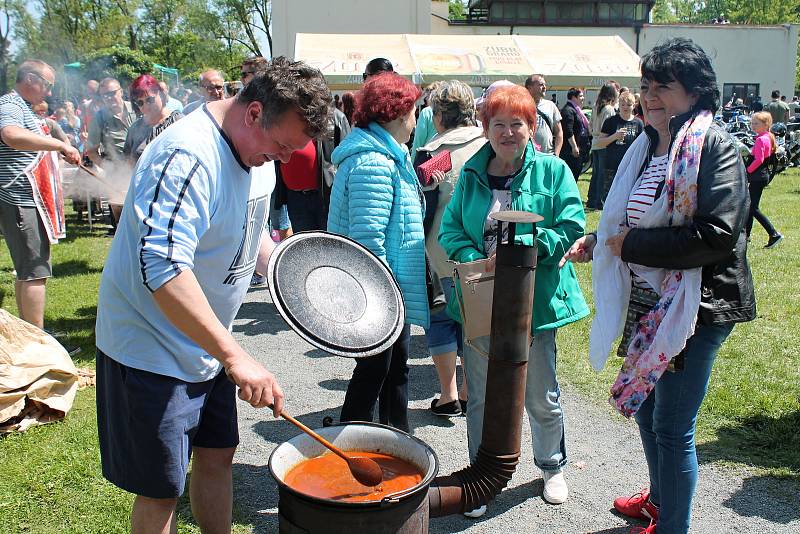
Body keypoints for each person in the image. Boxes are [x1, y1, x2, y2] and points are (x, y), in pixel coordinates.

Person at [94, 57, 331, 534]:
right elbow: (162, 268)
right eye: (283, 146)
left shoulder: (257, 153)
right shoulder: (187, 155)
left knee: (218, 453)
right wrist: (235, 355)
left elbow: (251, 228)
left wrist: (288, 272)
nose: (284, 160)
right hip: (150, 349)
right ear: (253, 112)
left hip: (207, 343)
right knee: (162, 490)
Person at [561, 38, 755, 534]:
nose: (649, 96)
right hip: (647, 303)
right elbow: (634, 220)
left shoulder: (717, 147)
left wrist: (630, 248)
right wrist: (598, 240)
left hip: (696, 308)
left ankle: (673, 525)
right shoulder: (646, 144)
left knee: (671, 426)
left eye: (662, 87)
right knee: (648, 413)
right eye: (645, 86)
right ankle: (660, 502)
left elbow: (717, 235)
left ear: (694, 91)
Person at [439, 84, 589, 517]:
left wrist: (529, 249)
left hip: (533, 304)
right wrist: (475, 258)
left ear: (531, 127)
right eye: (498, 124)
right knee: (482, 397)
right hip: (483, 304)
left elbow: (571, 224)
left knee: (541, 394)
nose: (507, 132)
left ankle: (551, 465)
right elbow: (451, 231)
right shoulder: (470, 173)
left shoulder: (554, 171)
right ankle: (481, 477)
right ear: (485, 128)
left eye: (516, 124)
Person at [327, 72, 427, 434]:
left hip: (386, 288)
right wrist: (386, 301)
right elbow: (368, 241)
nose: (416, 119)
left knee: (390, 368)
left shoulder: (385, 155)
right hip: (380, 291)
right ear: (398, 114)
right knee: (375, 370)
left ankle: (393, 441)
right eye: (414, 111)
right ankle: (349, 447)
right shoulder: (375, 163)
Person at [415, 80, 485, 417]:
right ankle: (471, 391)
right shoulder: (488, 144)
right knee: (475, 321)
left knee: (441, 318)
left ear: (439, 114)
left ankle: (448, 395)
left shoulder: (436, 153)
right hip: (484, 250)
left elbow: (423, 206)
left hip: (440, 251)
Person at [0, 60, 81, 332]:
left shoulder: (24, 109)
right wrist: (59, 144)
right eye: (47, 85)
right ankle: (39, 341)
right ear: (31, 79)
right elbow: (10, 135)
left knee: (29, 273)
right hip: (21, 199)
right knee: (36, 272)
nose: (48, 92)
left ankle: (30, 336)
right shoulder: (11, 105)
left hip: (25, 200)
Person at [124, 75, 183, 163]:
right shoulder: (135, 128)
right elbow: (127, 160)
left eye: (150, 100)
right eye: (140, 103)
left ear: (161, 95)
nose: (146, 106)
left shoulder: (178, 122)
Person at [597, 91, 644, 202]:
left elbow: (642, 145)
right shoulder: (611, 121)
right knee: (609, 197)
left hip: (631, 166)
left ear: (634, 105)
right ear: (619, 105)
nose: (625, 107)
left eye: (628, 105)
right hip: (612, 166)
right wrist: (614, 136)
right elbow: (599, 142)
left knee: (628, 197)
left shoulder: (638, 123)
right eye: (622, 104)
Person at [745, 111, 783, 248]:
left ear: (766, 124)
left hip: (757, 176)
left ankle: (774, 234)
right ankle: (746, 235)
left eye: (756, 123)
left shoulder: (761, 139)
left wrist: (747, 170)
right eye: (752, 123)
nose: (753, 126)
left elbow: (759, 159)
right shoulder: (768, 136)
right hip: (761, 176)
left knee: (753, 208)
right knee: (749, 207)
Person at [87, 77, 137, 166]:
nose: (109, 98)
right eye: (105, 95)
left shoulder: (137, 109)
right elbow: (92, 152)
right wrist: (109, 169)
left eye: (112, 93)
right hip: (119, 172)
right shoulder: (99, 118)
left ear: (121, 92)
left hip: (142, 167)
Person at [588, 82, 619, 209]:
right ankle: (599, 201)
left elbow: (589, 126)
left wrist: (595, 135)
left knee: (595, 173)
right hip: (604, 142)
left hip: (595, 142)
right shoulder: (609, 109)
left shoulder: (596, 107)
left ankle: (591, 199)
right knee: (602, 174)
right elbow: (608, 127)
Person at [525, 73, 563, 155]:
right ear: (530, 87)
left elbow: (559, 132)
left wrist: (556, 154)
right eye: (541, 85)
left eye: (545, 84)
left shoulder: (551, 105)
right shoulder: (521, 106)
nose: (544, 87)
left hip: (548, 155)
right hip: (527, 156)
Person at [559, 87, 590, 180]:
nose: (583, 98)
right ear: (573, 97)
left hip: (579, 149)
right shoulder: (568, 110)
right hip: (571, 151)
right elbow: (569, 130)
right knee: (571, 175)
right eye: (580, 96)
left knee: (575, 174)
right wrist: (574, 146)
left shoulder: (576, 110)